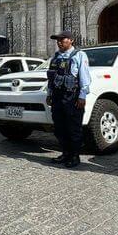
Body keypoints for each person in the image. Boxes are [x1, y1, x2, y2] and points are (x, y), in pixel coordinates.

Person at [46, 30, 91, 168]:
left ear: (71, 40)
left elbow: (85, 77)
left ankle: (74, 156)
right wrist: (49, 94)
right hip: (57, 96)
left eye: (62, 39)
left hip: (72, 96)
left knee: (73, 127)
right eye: (58, 40)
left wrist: (82, 96)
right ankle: (65, 153)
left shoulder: (79, 55)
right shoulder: (55, 57)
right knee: (59, 127)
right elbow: (51, 78)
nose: (59, 42)